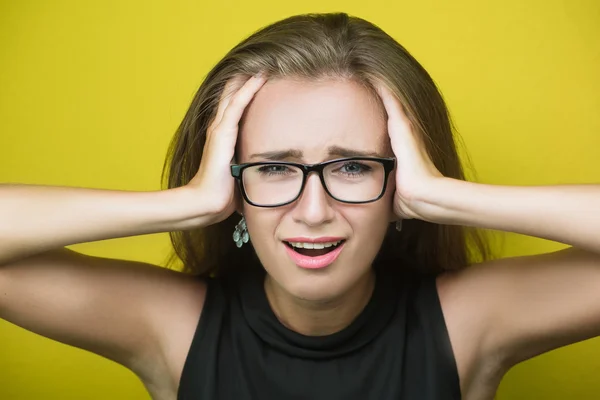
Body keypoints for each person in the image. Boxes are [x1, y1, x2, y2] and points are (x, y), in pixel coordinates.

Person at [0, 11, 598, 400]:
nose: (313, 211)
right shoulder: (172, 328)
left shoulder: (468, 323)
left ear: (399, 185)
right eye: (275, 168)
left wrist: (442, 196)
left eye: (354, 166)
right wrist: (188, 204)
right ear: (234, 189)